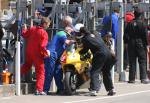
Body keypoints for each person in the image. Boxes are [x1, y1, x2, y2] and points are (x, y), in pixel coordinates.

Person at [74, 23, 116, 96]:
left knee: (94, 71)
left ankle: (94, 90)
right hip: (108, 53)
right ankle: (111, 89)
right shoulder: (95, 33)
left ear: (82, 33)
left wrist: (78, 52)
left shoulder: (85, 39)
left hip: (100, 54)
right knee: (106, 72)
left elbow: (85, 50)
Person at [43, 16, 75, 95]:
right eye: (71, 31)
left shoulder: (63, 34)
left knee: (58, 72)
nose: (71, 33)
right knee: (49, 72)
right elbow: (67, 42)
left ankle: (60, 89)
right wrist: (74, 40)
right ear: (68, 30)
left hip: (57, 56)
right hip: (52, 54)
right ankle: (45, 90)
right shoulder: (61, 33)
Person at [21, 17, 51, 95]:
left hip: (29, 52)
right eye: (48, 25)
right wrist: (46, 54)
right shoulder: (44, 33)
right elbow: (42, 46)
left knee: (26, 66)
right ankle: (39, 90)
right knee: (41, 72)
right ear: (44, 24)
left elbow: (24, 34)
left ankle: (15, 77)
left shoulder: (32, 28)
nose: (48, 26)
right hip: (37, 54)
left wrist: (24, 29)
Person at [124, 8, 150, 84]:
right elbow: (145, 35)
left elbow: (125, 34)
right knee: (142, 60)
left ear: (134, 15)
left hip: (131, 43)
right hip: (140, 43)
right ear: (141, 15)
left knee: (132, 61)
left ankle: (131, 79)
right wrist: (146, 44)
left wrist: (126, 42)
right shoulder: (143, 23)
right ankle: (143, 78)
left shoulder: (130, 23)